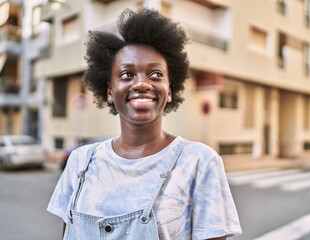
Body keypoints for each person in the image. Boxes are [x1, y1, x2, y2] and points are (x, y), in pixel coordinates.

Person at [47, 8, 242, 240]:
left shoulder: (200, 162)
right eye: (127, 74)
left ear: (169, 90)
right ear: (110, 91)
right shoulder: (80, 162)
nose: (141, 83)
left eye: (156, 74)